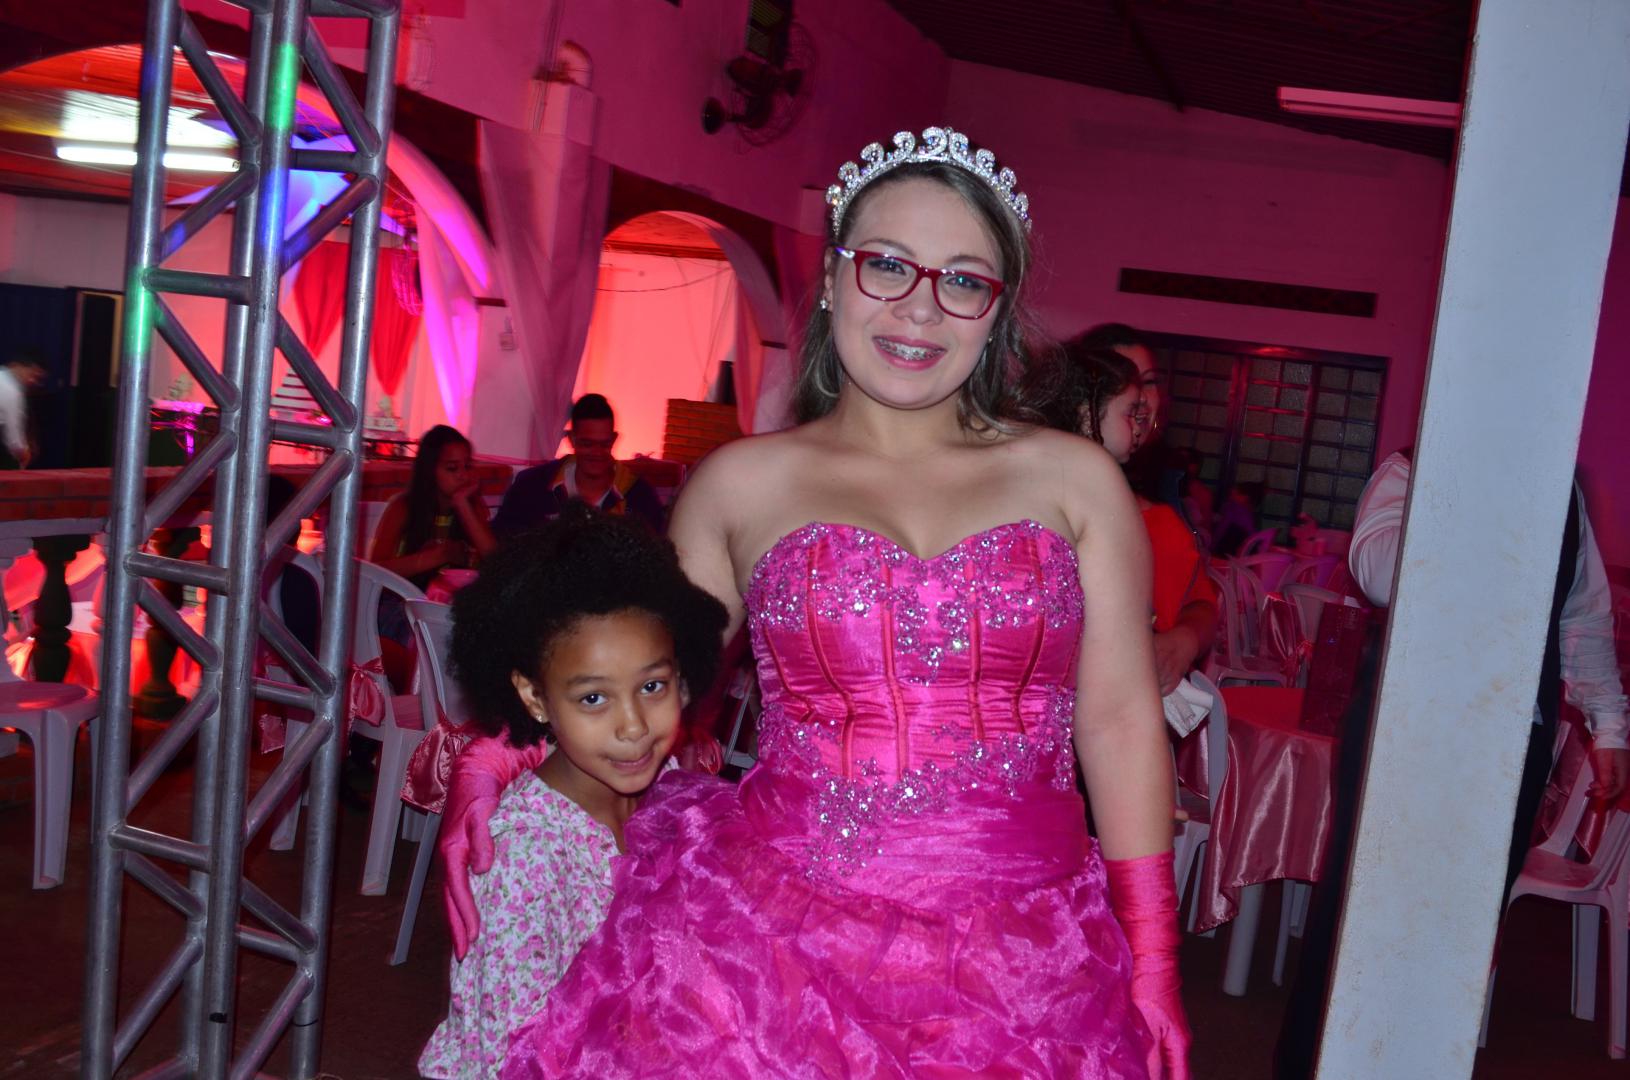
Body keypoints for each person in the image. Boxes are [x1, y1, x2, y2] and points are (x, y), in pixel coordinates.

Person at [445, 125, 1188, 1079]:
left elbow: (1120, 721)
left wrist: (1153, 959)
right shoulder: (742, 484)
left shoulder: (1077, 480)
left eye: (962, 280)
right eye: (888, 264)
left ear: (997, 309)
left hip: (1030, 960)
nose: (919, 308)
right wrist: (506, 748)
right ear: (834, 277)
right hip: (772, 946)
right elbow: (645, 670)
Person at [1272, 448, 1630, 1079]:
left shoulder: (1563, 491)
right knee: (1360, 920)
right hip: (1403, 733)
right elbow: (1379, 574)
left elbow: (1583, 617)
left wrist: (1609, 726)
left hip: (1512, 745)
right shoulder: (1412, 467)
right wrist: (1467, 478)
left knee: (1460, 938)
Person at [418, 508, 727, 1079]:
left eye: (652, 686)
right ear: (534, 698)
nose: (633, 726)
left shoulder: (669, 795)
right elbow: (508, 1056)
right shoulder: (527, 856)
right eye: (593, 698)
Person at [1043, 342, 1219, 697]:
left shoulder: (1158, 518)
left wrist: (1183, 640)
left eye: (1149, 383)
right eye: (1130, 405)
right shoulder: (1046, 511)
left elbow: (1201, 603)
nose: (1142, 413)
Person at [491, 394, 665, 535]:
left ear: (614, 440)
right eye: (587, 444)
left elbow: (656, 558)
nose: (597, 453)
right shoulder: (533, 485)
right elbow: (500, 548)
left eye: (604, 444)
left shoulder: (638, 495)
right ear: (572, 439)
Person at [368, 424, 497, 588]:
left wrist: (462, 504)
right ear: (429, 470)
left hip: (457, 598)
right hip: (407, 598)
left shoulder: (471, 506)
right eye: (452, 468)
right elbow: (374, 572)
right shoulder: (403, 507)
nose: (463, 475)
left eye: (467, 466)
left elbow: (496, 561)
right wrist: (438, 556)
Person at [0, 350, 47, 470]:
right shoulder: (11, 389)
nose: (32, 381)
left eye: (37, 379)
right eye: (32, 374)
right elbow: (14, 440)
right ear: (17, 365)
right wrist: (25, 455)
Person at [1210, 481, 1264, 557]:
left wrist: (1212, 547)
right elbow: (1253, 534)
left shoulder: (1234, 508)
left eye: (1235, 494)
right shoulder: (1246, 512)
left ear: (1245, 497)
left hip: (1227, 554)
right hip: (1238, 555)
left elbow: (1221, 529)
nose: (1231, 497)